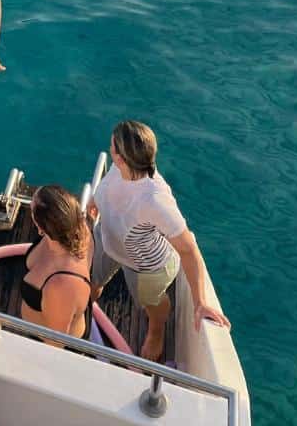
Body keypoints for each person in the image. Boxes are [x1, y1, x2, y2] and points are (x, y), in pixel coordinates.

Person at [88, 120, 230, 363]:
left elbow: (188, 249)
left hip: (145, 263)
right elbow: (106, 189)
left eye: (112, 145)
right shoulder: (118, 167)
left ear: (121, 156)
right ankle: (85, 304)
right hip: (108, 238)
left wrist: (200, 302)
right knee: (90, 279)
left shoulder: (156, 200)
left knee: (151, 302)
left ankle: (156, 331)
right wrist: (93, 204)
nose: (110, 148)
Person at [21, 185, 94, 342]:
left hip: (43, 341)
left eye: (32, 208)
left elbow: (56, 342)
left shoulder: (62, 285)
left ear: (40, 227)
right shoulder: (79, 230)